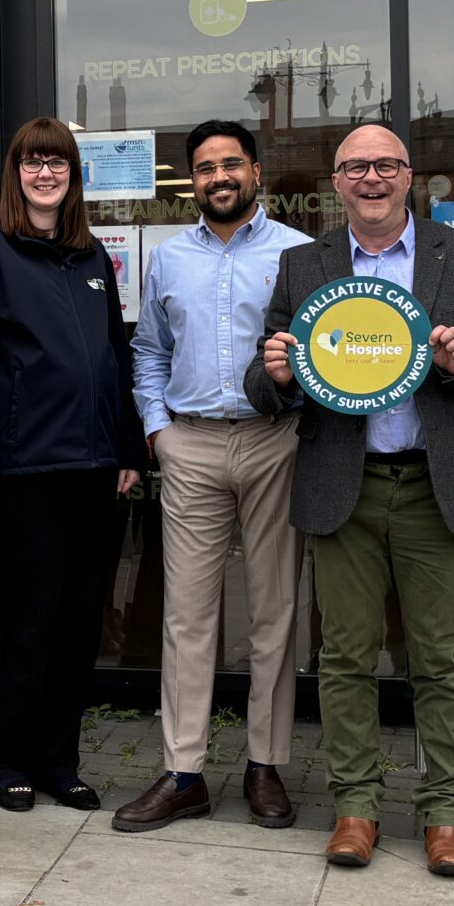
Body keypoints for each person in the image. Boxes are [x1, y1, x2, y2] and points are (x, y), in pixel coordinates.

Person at [246, 123, 454, 875]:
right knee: (343, 656)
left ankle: (445, 815)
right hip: (346, 481)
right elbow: (265, 374)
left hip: (435, 483)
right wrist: (276, 374)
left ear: (410, 176)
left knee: (440, 656)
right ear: (335, 182)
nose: (370, 178)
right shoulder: (303, 264)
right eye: (355, 168)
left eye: (385, 165)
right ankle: (356, 808)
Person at [112, 118, 311, 831]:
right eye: (204, 168)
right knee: (187, 616)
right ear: (190, 181)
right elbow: (149, 351)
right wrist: (157, 428)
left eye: (232, 164)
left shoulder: (300, 253)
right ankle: (184, 772)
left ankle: (265, 764)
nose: (219, 177)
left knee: (274, 613)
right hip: (190, 446)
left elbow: (320, 355)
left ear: (255, 173)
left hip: (274, 444)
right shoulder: (167, 259)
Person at [0, 117, 142, 814]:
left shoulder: (91, 258)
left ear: (73, 174)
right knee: (29, 622)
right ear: (16, 172)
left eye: (57, 161)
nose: (45, 173)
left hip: (95, 469)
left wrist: (125, 447)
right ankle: (12, 761)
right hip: (21, 470)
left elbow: (113, 358)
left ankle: (61, 761)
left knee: (80, 622)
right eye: (33, 161)